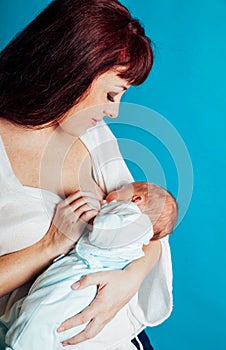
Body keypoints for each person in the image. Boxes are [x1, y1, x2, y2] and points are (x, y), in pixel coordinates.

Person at [0, 0, 174, 349]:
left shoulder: (93, 136)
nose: (114, 111)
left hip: (128, 339)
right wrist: (50, 244)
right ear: (73, 69)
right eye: (112, 94)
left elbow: (150, 228)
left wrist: (130, 280)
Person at [1, 182, 178, 350]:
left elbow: (113, 232)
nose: (112, 191)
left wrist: (97, 221)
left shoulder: (133, 217)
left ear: (136, 199)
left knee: (41, 317)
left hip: (84, 277)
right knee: (31, 311)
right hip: (81, 273)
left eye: (122, 188)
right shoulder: (136, 226)